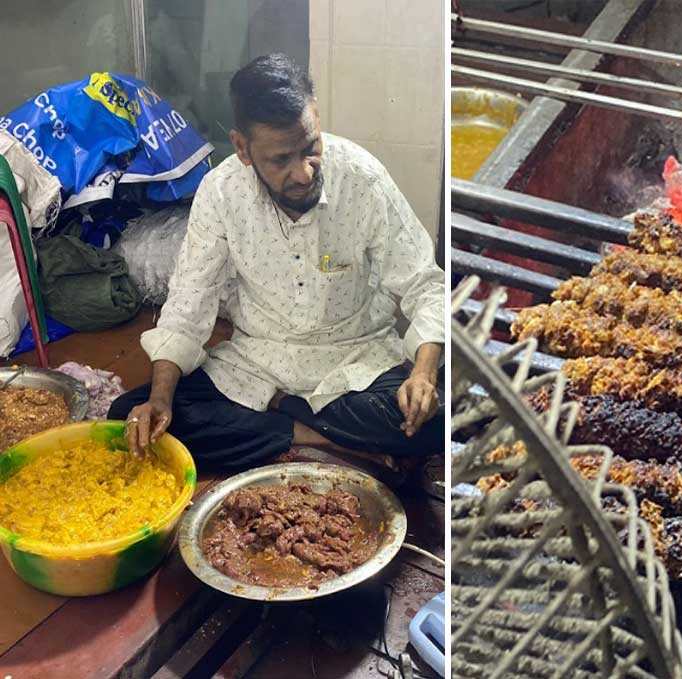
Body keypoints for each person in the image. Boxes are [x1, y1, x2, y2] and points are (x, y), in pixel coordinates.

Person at [108, 53, 444, 470]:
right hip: (256, 365)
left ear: (316, 118)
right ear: (242, 149)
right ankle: (317, 440)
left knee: (437, 419)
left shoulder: (363, 179)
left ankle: (281, 425)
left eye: (310, 148)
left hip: (354, 361)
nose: (303, 173)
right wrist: (160, 401)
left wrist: (423, 376)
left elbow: (424, 286)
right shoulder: (221, 192)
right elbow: (188, 304)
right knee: (131, 414)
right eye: (280, 160)